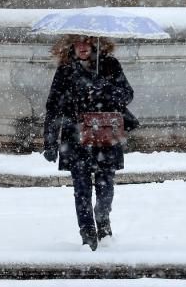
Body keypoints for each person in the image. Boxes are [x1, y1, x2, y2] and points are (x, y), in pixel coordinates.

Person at [42, 34, 137, 250]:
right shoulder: (66, 69)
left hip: (105, 136)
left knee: (106, 188)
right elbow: (53, 106)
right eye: (78, 43)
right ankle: (87, 233)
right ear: (72, 46)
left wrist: (105, 88)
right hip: (75, 138)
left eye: (87, 42)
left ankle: (103, 222)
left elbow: (127, 94)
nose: (83, 47)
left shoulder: (109, 65)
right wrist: (49, 141)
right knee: (81, 189)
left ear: (95, 43)